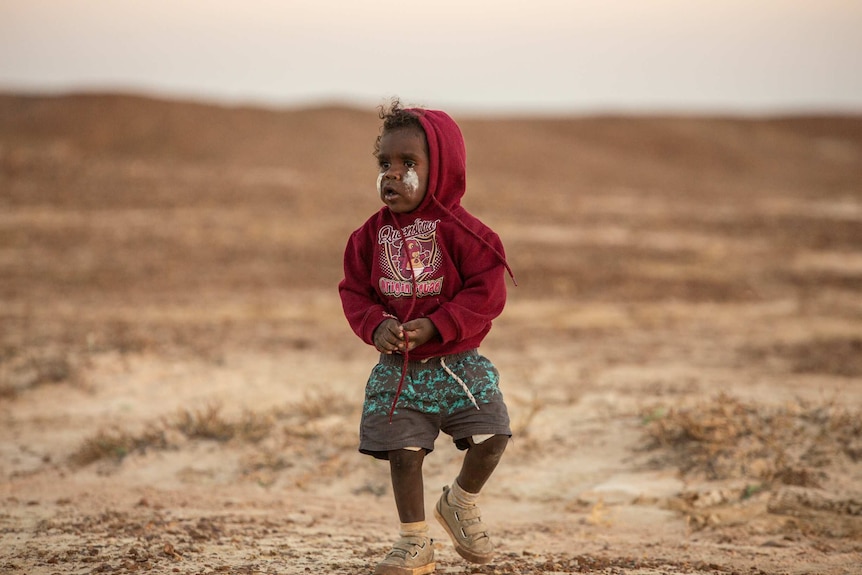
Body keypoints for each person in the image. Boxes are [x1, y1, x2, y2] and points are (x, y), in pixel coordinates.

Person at [339, 99, 516, 575]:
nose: (392, 175)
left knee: (494, 434)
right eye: (384, 164)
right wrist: (376, 325)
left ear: (442, 170)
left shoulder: (467, 234)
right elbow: (354, 291)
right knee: (404, 454)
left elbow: (487, 291)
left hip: (457, 365)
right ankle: (413, 542)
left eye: (408, 164)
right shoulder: (366, 238)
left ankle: (460, 502)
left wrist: (440, 323)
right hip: (399, 372)